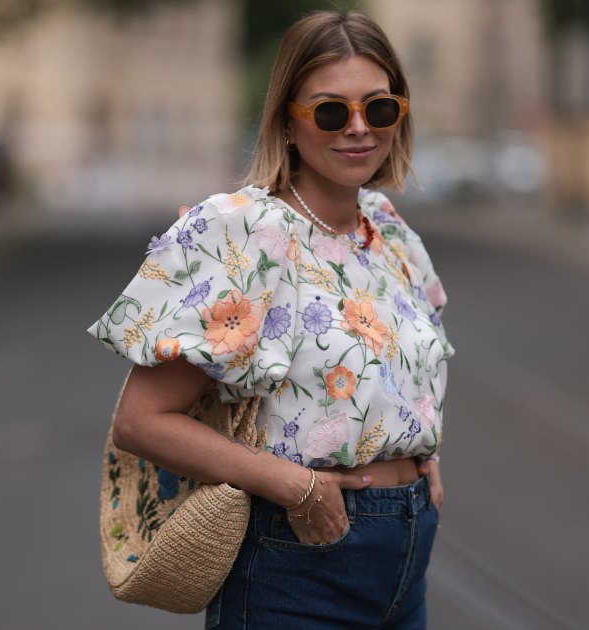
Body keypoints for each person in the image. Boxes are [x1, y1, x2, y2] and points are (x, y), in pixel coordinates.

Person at [87, 10, 454, 629]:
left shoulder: (388, 231)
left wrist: (424, 461)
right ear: (288, 121)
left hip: (408, 553)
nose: (359, 128)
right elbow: (140, 422)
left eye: (380, 108)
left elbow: (401, 376)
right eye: (332, 111)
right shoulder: (245, 231)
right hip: (298, 560)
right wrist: (295, 487)